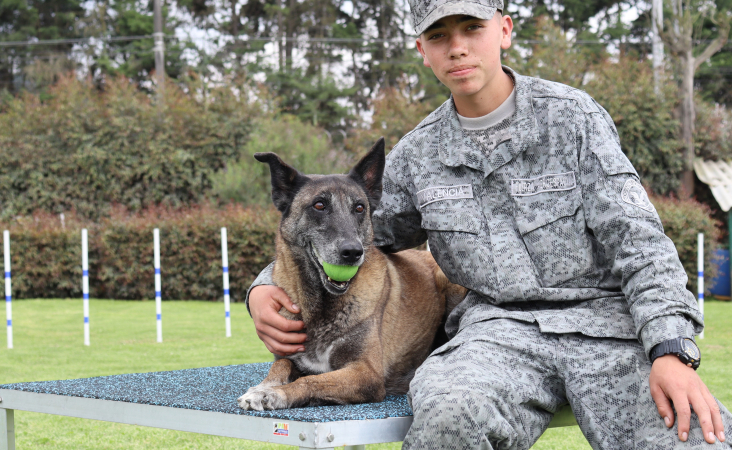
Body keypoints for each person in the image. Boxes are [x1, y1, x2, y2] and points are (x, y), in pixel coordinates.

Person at [246, 0, 732, 448]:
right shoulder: (418, 155)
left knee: (695, 436)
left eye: (472, 28)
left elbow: (641, 243)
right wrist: (263, 288)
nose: (456, 46)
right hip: (496, 335)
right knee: (446, 421)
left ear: (503, 30)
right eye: (438, 36)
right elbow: (352, 237)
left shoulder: (573, 120)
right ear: (422, 51)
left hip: (606, 331)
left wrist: (670, 349)